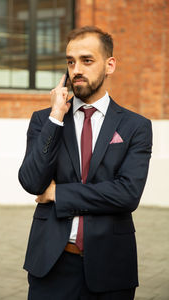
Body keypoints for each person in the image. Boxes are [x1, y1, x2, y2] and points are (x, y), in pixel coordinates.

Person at [18, 26, 152, 300]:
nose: (76, 69)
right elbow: (32, 182)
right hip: (51, 265)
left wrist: (58, 193)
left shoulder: (136, 126)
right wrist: (57, 115)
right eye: (70, 61)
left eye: (87, 60)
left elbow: (127, 194)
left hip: (111, 266)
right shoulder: (45, 120)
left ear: (109, 64)